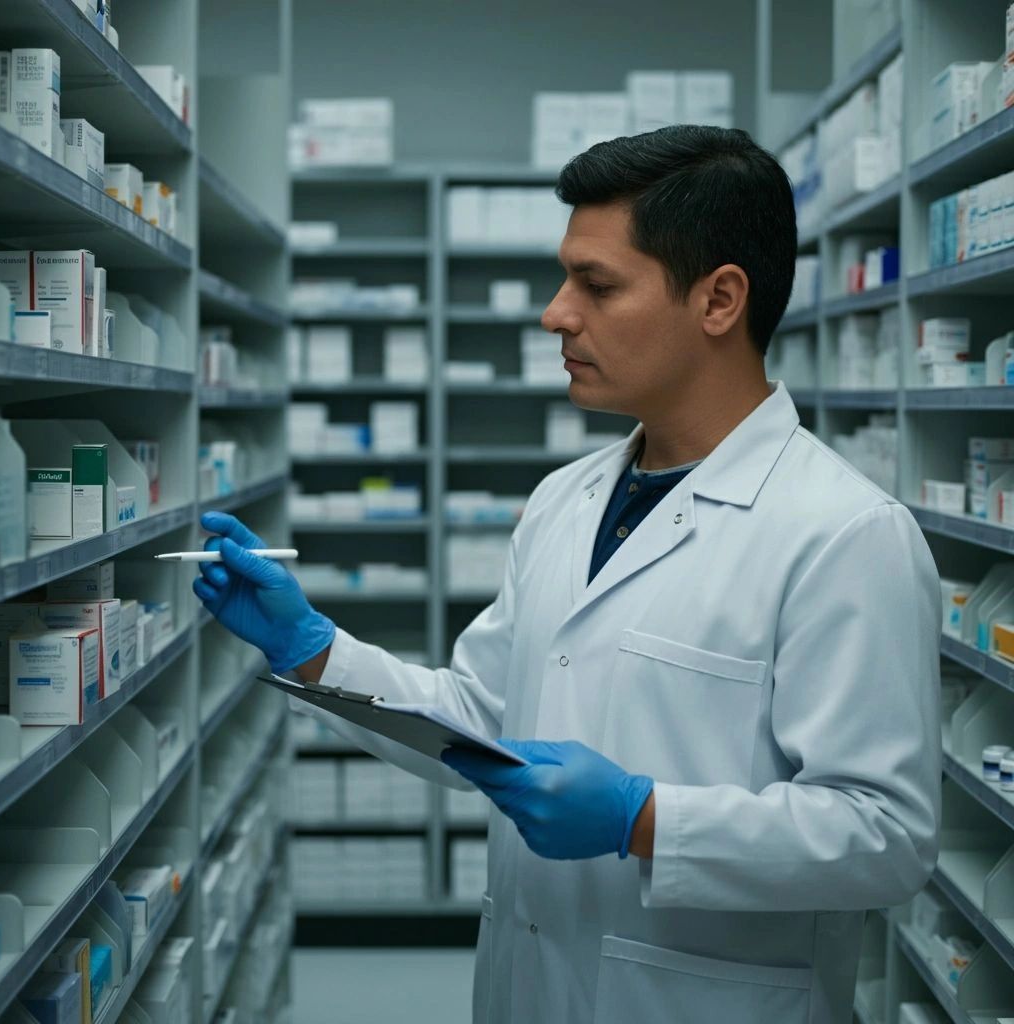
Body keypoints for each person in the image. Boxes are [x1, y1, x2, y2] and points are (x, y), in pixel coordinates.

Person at [193, 125, 941, 1024]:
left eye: (597, 284)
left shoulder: (844, 533)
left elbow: (888, 838)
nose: (556, 313)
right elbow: (483, 722)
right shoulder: (566, 498)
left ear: (720, 300)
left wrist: (645, 819)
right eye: (564, 279)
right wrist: (312, 650)